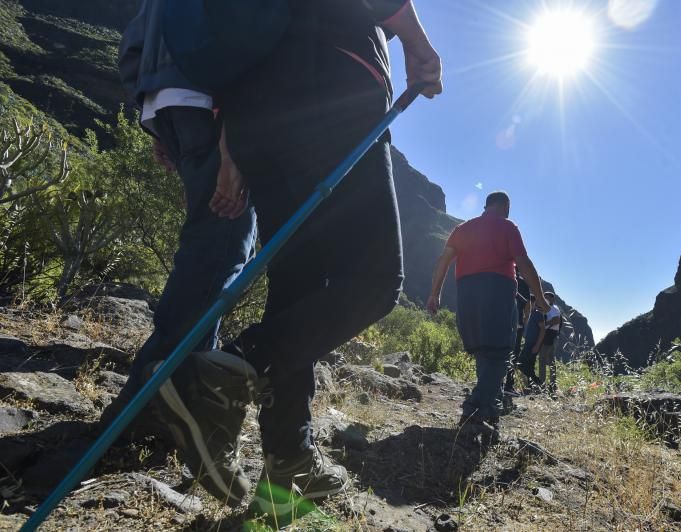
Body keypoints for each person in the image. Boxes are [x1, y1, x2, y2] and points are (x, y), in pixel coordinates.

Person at [141, 0, 443, 519]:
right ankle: (223, 375)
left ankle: (290, 461)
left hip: (255, 120)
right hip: (335, 90)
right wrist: (419, 45)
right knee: (374, 281)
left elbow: (242, 53)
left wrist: (232, 151)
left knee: (295, 292)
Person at [101, 0, 258, 464]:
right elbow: (247, 40)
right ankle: (147, 404)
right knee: (220, 249)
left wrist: (155, 122)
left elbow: (131, 50)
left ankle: (184, 393)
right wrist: (234, 144)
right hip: (212, 106)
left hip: (168, 106)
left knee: (211, 246)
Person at [427, 191, 549, 442]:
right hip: (498, 292)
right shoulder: (507, 227)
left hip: (467, 294)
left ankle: (491, 410)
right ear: (504, 206)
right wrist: (541, 298)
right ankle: (475, 411)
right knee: (500, 352)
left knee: (484, 350)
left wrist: (434, 294)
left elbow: (443, 260)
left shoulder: (462, 229)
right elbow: (523, 263)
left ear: (486, 206)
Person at [500, 269, 530, 413]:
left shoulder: (501, 277)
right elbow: (528, 304)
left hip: (502, 321)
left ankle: (499, 383)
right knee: (513, 354)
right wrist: (525, 320)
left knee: (500, 351)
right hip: (517, 324)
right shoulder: (523, 283)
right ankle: (508, 385)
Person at [518, 295, 545, 392]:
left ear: (533, 303)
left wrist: (537, 345)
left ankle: (538, 384)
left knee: (522, 364)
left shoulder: (537, 314)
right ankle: (534, 386)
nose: (528, 304)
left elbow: (543, 329)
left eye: (529, 302)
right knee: (527, 365)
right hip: (528, 343)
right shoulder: (530, 314)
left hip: (533, 344)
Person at [537, 291, 562, 394]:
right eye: (544, 297)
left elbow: (557, 320)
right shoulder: (546, 309)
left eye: (547, 297)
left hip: (550, 335)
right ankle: (550, 385)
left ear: (552, 299)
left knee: (544, 359)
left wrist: (544, 324)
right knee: (548, 360)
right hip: (548, 335)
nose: (545, 299)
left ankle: (544, 385)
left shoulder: (554, 309)